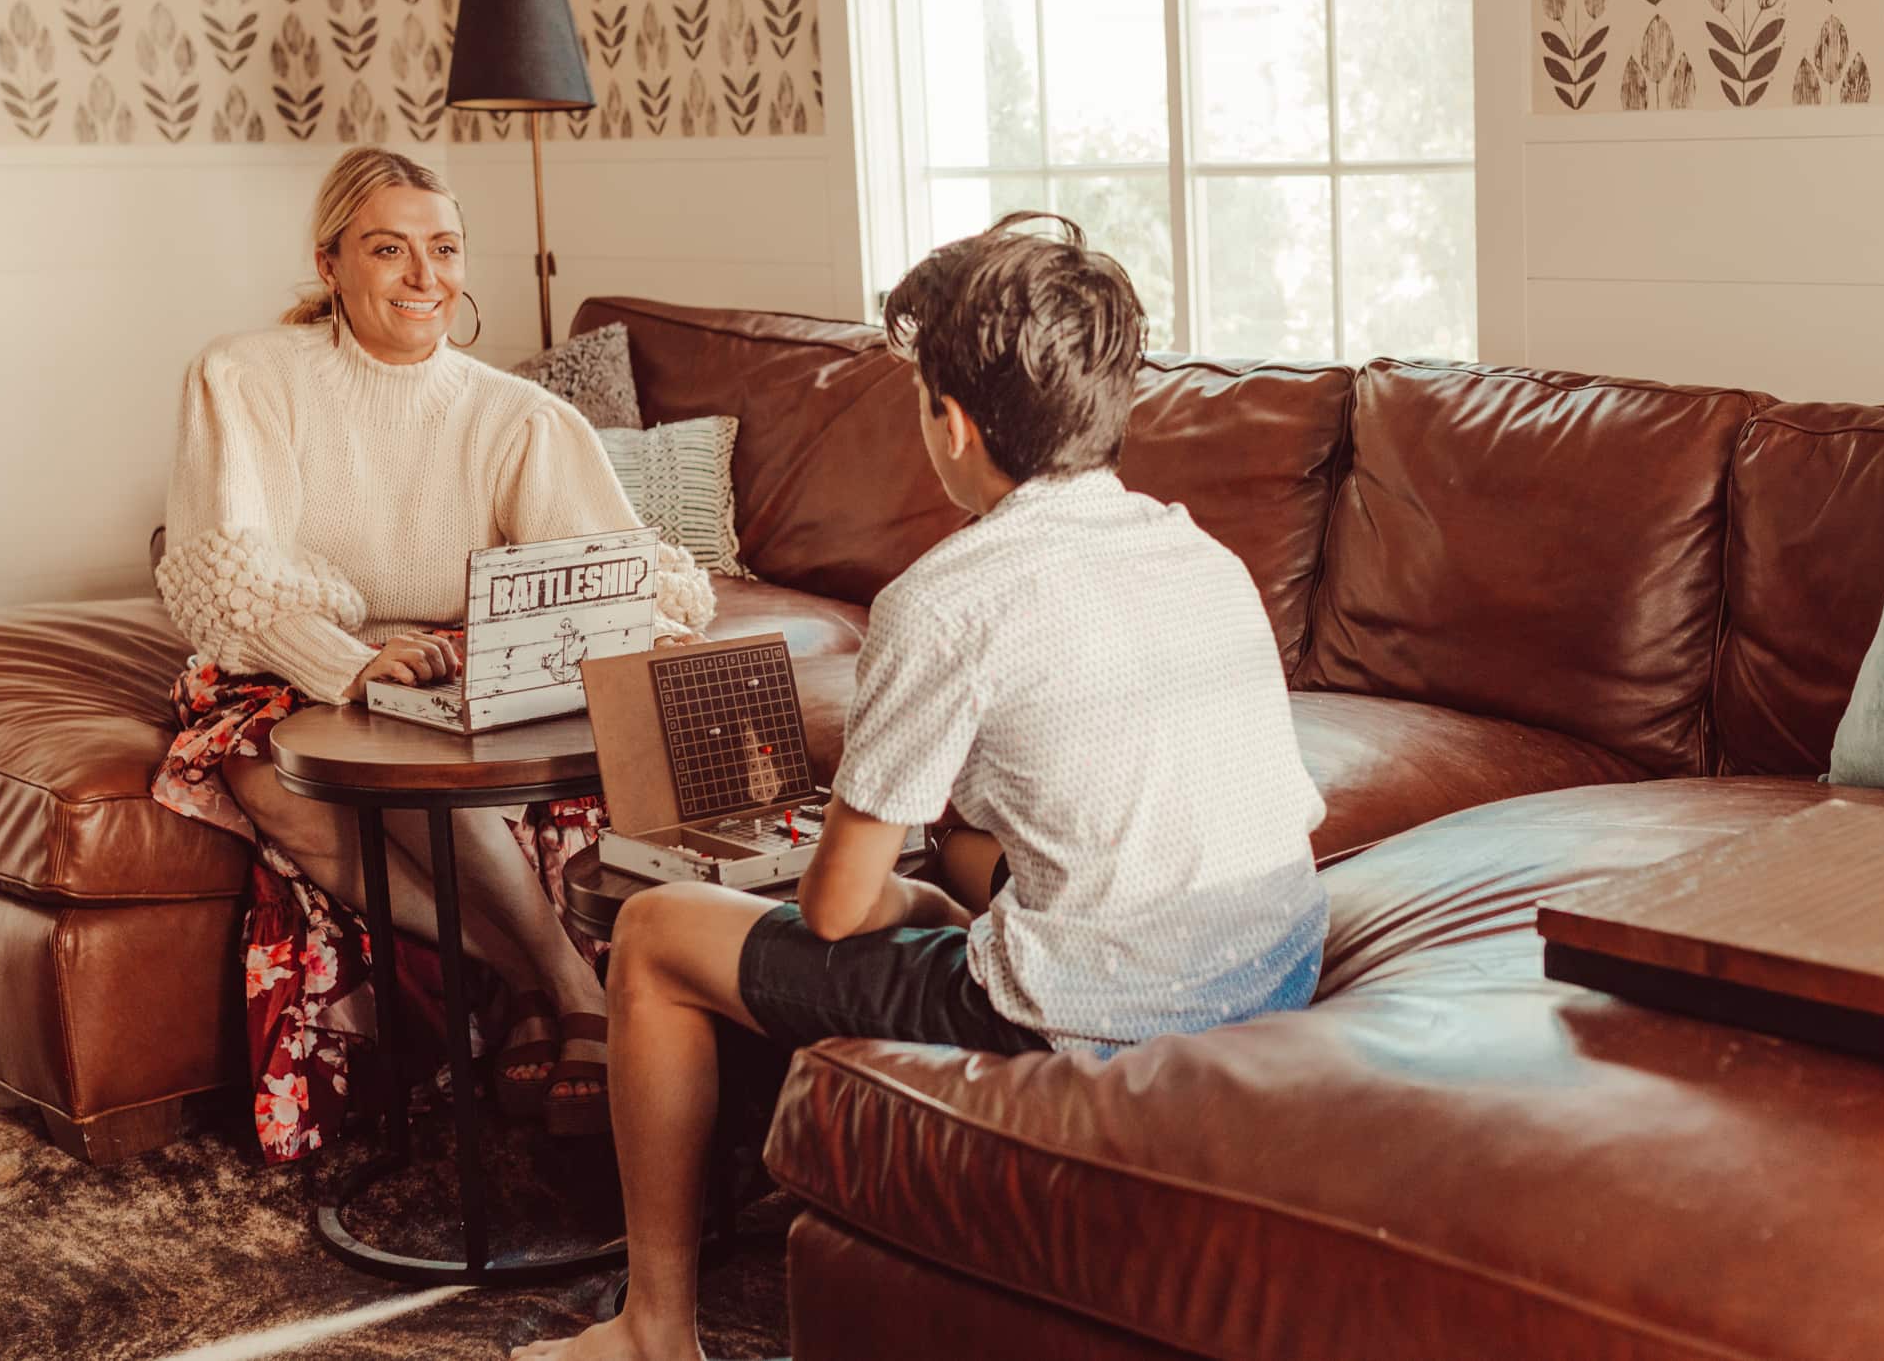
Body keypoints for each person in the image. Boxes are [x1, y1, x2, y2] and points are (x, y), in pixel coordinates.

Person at [512, 214, 1328, 1361]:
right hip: (1276, 955)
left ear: (951, 421)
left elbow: (836, 908)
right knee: (944, 892)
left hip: (1099, 1011)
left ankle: (651, 1327)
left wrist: (880, 879)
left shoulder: (946, 598)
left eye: (917, 403)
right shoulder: (1201, 550)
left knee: (652, 930)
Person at [151, 146, 715, 1157]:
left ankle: (537, 986)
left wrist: (499, 656)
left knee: (412, 749)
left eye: (444, 248)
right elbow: (226, 564)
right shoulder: (244, 373)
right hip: (298, 652)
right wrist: (346, 665)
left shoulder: (518, 413)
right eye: (388, 249)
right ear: (330, 264)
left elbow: (618, 570)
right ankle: (561, 983)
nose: (424, 276)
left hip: (452, 658)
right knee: (270, 776)